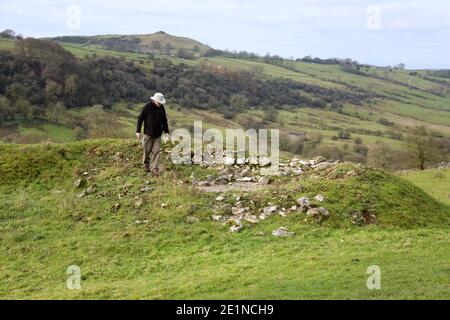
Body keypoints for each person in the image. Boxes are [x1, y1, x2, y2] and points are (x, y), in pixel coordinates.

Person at [136, 93, 170, 175]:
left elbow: (164, 121)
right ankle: (145, 164)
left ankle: (154, 168)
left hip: (158, 134)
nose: (159, 104)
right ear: (154, 100)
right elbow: (140, 118)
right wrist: (138, 131)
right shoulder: (147, 107)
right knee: (147, 150)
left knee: (157, 151)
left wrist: (166, 132)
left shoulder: (162, 108)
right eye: (158, 102)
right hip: (148, 133)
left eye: (160, 102)